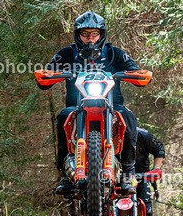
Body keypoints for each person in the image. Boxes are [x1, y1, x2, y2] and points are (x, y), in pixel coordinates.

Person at [42, 11, 140, 194]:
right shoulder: (67, 54)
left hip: (112, 105)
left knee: (127, 117)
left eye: (94, 34)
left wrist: (134, 74)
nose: (90, 38)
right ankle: (65, 176)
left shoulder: (114, 53)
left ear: (101, 35)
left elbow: (134, 69)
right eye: (85, 34)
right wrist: (50, 74)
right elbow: (46, 75)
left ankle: (128, 172)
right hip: (76, 106)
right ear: (77, 35)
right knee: (63, 117)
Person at [134, 127, 164, 216]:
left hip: (141, 174)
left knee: (145, 205)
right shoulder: (109, 133)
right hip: (117, 175)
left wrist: (156, 169)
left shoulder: (143, 134)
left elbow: (159, 148)